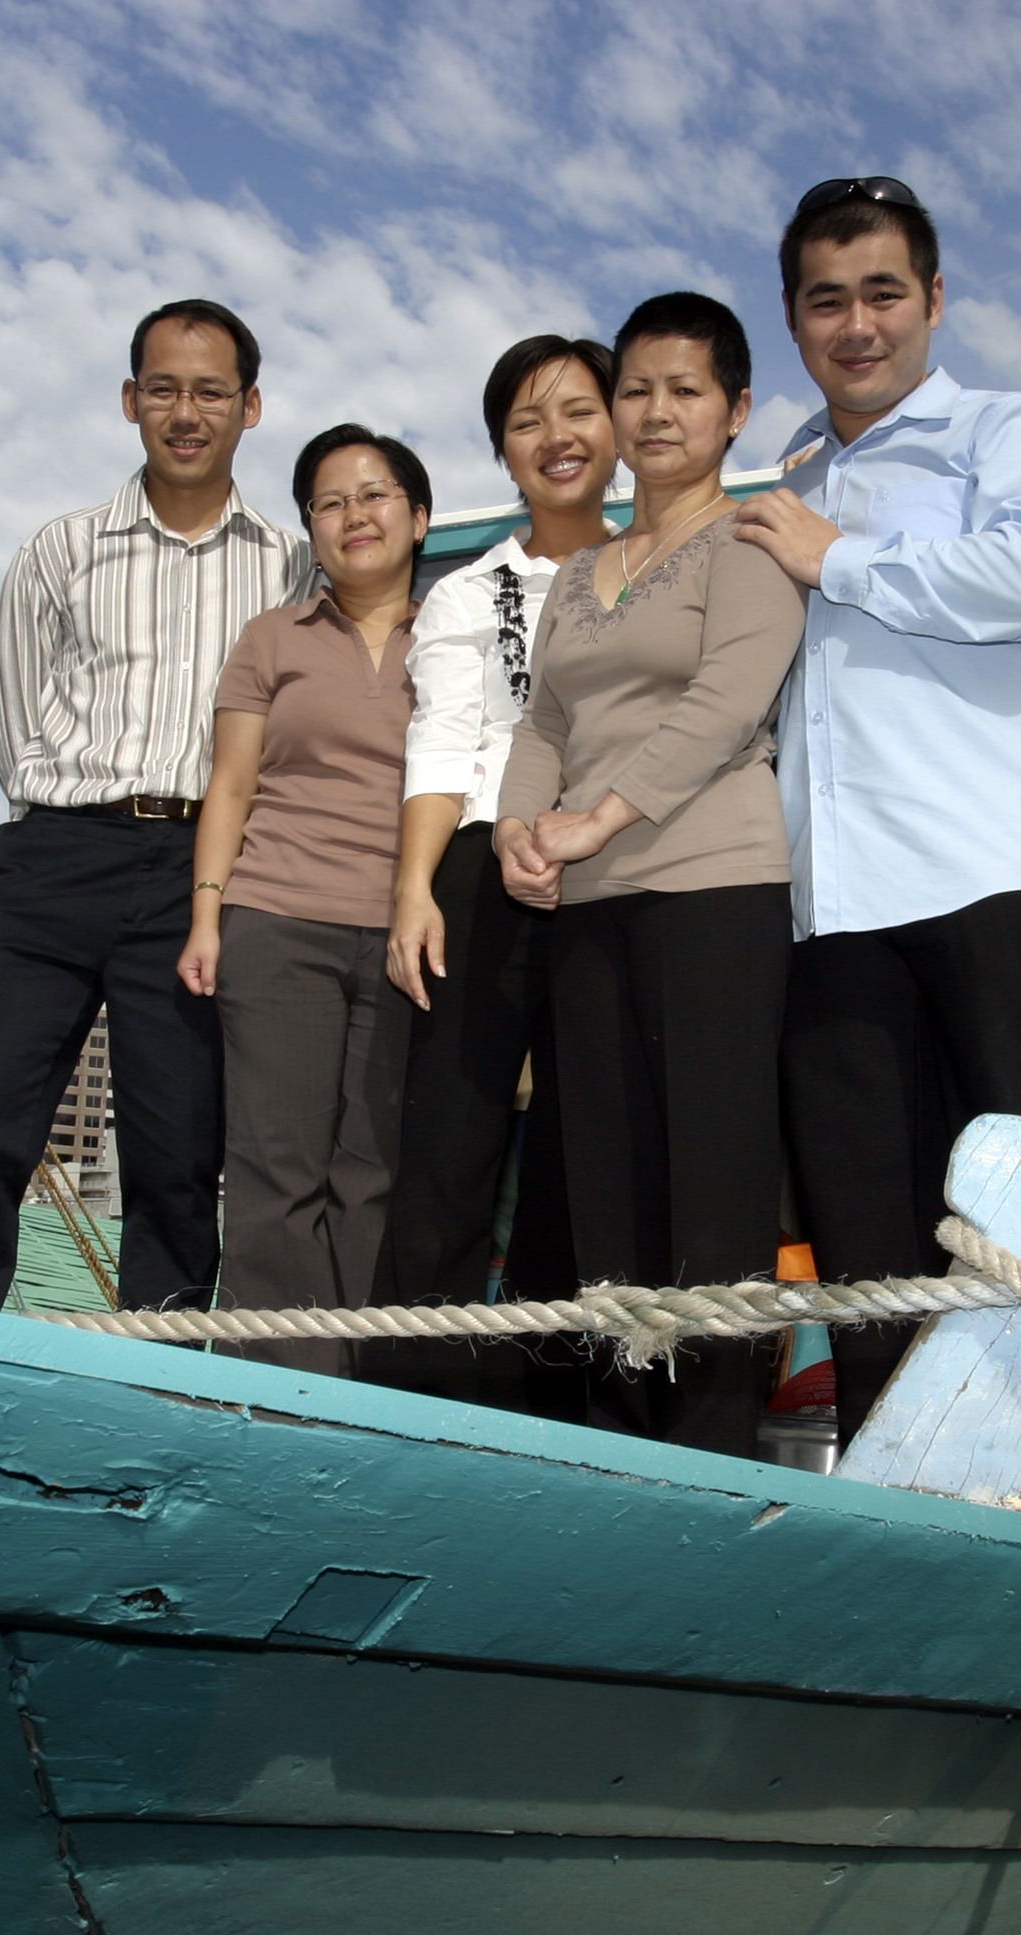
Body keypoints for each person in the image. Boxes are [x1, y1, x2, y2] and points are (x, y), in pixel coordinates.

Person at [735, 178, 1021, 1532]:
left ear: (935, 301)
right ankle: (909, 1501)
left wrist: (845, 561)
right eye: (828, 298)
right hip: (834, 906)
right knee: (868, 1229)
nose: (858, 322)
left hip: (996, 876)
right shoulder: (786, 486)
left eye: (885, 292)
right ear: (794, 318)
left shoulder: (1010, 431)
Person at [0, 300, 312, 1312]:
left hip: (200, 874)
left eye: (211, 391)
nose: (185, 411)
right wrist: (78, 808)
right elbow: (14, 720)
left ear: (251, 406)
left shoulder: (292, 566)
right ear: (130, 400)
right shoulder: (60, 551)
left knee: (175, 1147)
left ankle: (156, 1367)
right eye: (162, 388)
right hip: (56, 856)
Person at [497, 292, 805, 1455]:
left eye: (686, 390)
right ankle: (622, 1442)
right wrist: (528, 833)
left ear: (734, 411)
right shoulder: (582, 571)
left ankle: (715, 1449)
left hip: (715, 888)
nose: (657, 411)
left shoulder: (754, 539)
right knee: (606, 1184)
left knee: (711, 1183)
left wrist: (601, 816)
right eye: (637, 389)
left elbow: (731, 700)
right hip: (586, 900)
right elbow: (544, 721)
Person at [375, 334, 618, 1316]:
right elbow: (439, 745)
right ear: (502, 448)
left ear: (619, 424)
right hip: (481, 871)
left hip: (618, 867)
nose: (555, 437)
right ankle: (414, 1383)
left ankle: (560, 1389)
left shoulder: (668, 572)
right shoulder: (469, 591)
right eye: (526, 421)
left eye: (577, 411)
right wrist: (414, 892)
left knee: (591, 1140)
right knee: (450, 1138)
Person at [179, 426, 430, 1313]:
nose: (354, 515)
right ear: (311, 530)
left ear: (420, 516)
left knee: (372, 1173)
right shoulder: (270, 639)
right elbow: (232, 784)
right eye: (329, 502)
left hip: (408, 935)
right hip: (278, 921)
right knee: (276, 1172)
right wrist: (207, 914)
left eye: (374, 495)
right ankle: (278, 1405)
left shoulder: (457, 638)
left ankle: (359, 1399)